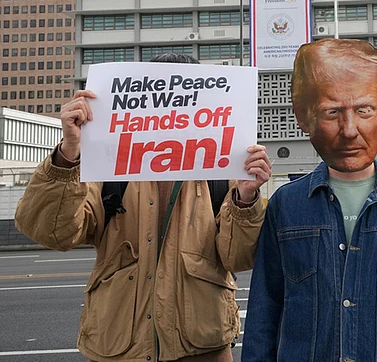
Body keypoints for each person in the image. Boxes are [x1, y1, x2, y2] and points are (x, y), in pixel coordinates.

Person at [15, 53, 272, 362]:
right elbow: (53, 234)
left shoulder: (223, 167)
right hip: (118, 348)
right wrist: (68, 155)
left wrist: (245, 199)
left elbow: (239, 257)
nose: (174, 106)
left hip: (202, 347)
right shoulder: (108, 166)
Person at [241, 39, 377, 361]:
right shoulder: (285, 205)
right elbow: (264, 310)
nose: (349, 130)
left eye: (364, 110)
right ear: (304, 117)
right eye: (332, 112)